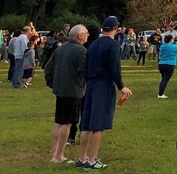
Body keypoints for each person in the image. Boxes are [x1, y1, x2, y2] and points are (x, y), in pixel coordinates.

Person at [78, 16, 133, 169]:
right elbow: (114, 67)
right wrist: (121, 86)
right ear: (115, 28)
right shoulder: (113, 44)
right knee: (98, 123)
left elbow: (86, 66)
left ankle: (82, 157)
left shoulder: (93, 44)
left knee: (86, 123)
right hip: (103, 85)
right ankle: (92, 160)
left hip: (90, 84)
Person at [44, 24, 88, 164]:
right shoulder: (81, 51)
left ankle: (54, 154)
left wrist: (53, 84)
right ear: (79, 36)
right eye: (86, 33)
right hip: (73, 91)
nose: (87, 36)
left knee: (58, 122)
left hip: (61, 90)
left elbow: (48, 68)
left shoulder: (60, 49)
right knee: (66, 123)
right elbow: (85, 72)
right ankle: (59, 155)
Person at [157, 34, 177, 99]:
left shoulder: (162, 46)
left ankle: (161, 92)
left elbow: (170, 46)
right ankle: (160, 94)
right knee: (165, 80)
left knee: (163, 79)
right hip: (169, 64)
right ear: (170, 40)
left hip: (161, 64)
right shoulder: (173, 47)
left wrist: (174, 42)